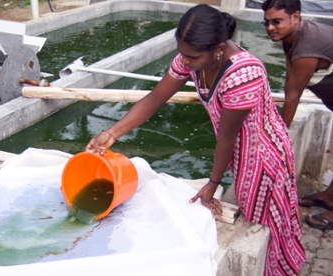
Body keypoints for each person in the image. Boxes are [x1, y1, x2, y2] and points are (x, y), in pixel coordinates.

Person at [86, 4, 305, 275]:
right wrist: (111, 133)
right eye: (182, 53)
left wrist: (213, 183)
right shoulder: (191, 57)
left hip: (264, 154)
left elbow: (227, 139)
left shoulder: (243, 75)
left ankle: (277, 271)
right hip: (239, 149)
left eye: (192, 56)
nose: (184, 61)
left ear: (219, 51)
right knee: (253, 214)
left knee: (263, 223)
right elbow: (155, 98)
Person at [262, 0, 333, 231]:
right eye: (267, 23)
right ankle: (329, 197)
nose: (271, 28)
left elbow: (293, 96)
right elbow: (289, 81)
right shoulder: (292, 37)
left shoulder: (305, 48)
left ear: (295, 17)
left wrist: (277, 138)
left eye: (277, 22)